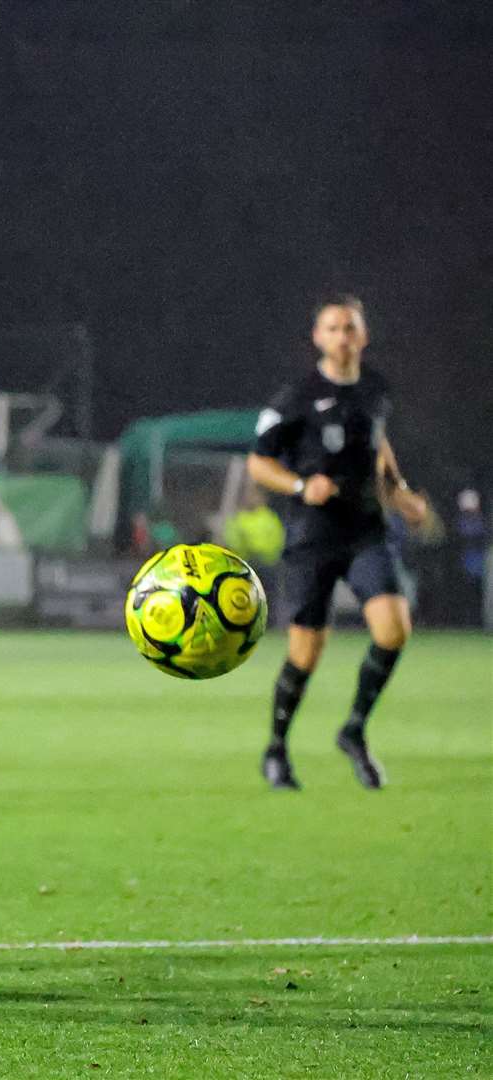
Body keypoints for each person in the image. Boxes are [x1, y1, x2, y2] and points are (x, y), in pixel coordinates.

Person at [247, 295, 428, 791]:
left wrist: (400, 492)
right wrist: (303, 486)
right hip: (312, 535)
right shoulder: (297, 395)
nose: (342, 336)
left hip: (365, 530)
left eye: (350, 328)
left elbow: (378, 444)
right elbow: (259, 462)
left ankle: (353, 729)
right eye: (332, 328)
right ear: (318, 338)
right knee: (306, 653)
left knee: (394, 629)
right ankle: (277, 749)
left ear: (363, 337)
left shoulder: (375, 389)